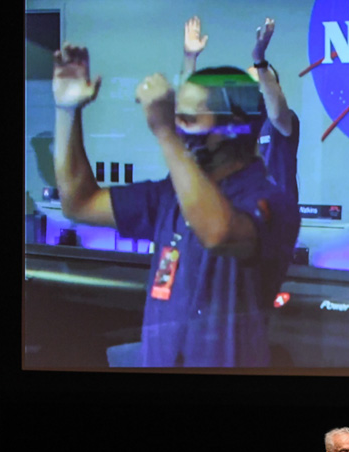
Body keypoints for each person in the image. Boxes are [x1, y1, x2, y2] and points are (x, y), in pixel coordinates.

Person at [52, 45, 299, 367]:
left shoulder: (272, 201)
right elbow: (78, 203)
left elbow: (219, 233)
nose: (180, 126)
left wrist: (166, 131)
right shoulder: (169, 196)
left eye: (189, 117)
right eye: (176, 116)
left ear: (232, 125)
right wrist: (67, 111)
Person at [183, 16, 300, 205]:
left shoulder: (282, 122)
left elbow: (277, 114)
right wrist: (190, 58)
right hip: (239, 219)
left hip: (275, 224)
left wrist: (259, 61)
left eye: (260, 82)